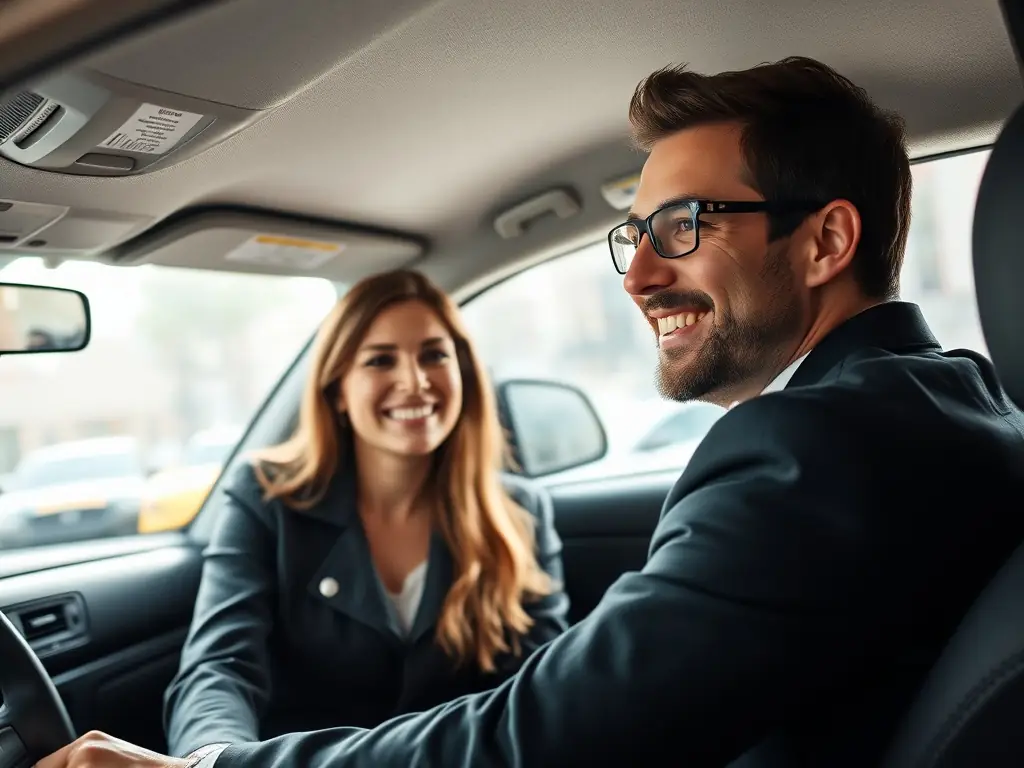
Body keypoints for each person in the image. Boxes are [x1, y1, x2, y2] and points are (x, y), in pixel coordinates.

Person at [37, 56, 1024, 768]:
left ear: (825, 242)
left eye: (682, 226)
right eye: (634, 234)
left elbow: (551, 728)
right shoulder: (949, 403)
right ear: (335, 388)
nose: (637, 274)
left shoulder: (813, 446)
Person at [161, 269, 568, 759]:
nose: (415, 382)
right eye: (380, 360)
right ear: (337, 390)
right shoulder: (267, 497)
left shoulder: (519, 512)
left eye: (434, 355)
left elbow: (540, 690)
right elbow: (220, 668)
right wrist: (215, 760)